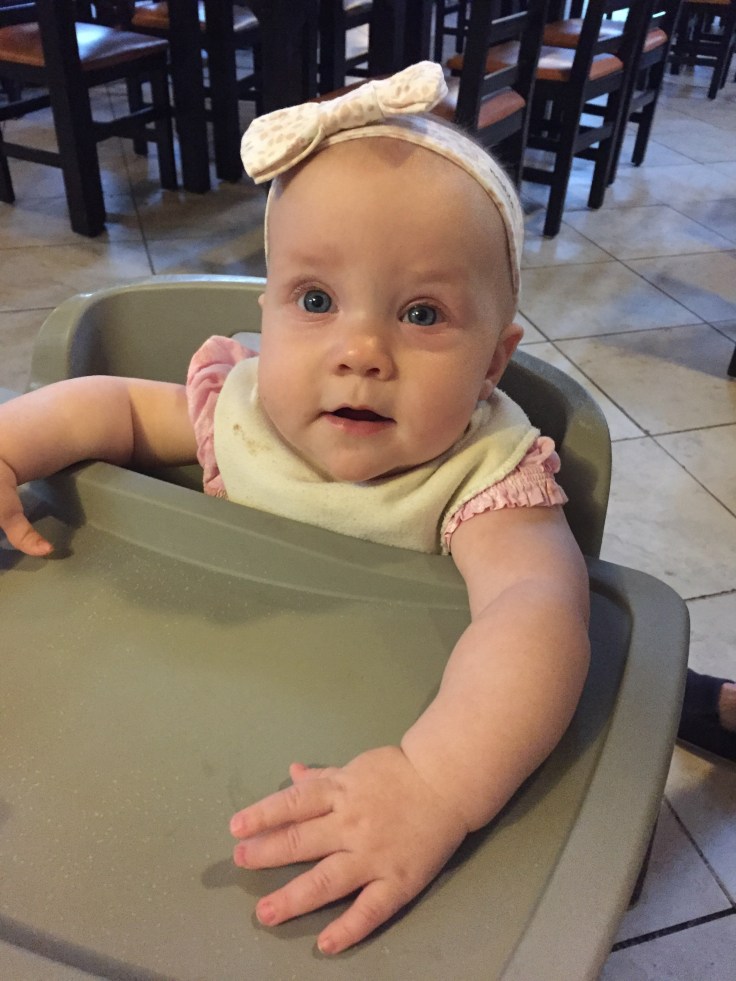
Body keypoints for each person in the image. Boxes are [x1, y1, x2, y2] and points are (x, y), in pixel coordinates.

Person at [0, 63, 590, 955]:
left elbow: (540, 614)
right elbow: (110, 406)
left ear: (492, 364)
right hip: (176, 721)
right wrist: (11, 445)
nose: (362, 351)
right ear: (266, 310)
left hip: (356, 731)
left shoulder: (483, 479)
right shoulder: (237, 412)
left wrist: (435, 782)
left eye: (422, 314)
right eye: (316, 301)